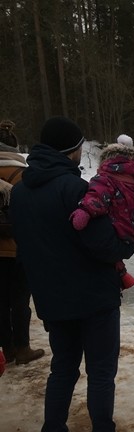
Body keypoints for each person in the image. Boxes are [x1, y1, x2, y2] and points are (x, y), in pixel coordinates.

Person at [10, 116, 134, 432]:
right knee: (101, 374)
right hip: (94, 299)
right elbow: (104, 245)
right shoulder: (75, 189)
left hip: (52, 300)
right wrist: (128, 243)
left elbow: (25, 247)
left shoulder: (20, 191)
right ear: (72, 150)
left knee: (62, 371)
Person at [70, 137, 134, 289]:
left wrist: (85, 211)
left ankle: (120, 273)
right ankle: (121, 274)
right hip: (130, 232)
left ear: (107, 162)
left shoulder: (104, 180)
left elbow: (96, 196)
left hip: (114, 228)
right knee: (114, 256)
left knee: (103, 254)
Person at [0, 120, 45, 366]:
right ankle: (23, 347)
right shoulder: (22, 174)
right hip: (18, 248)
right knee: (19, 301)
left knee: (0, 301)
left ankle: (5, 349)